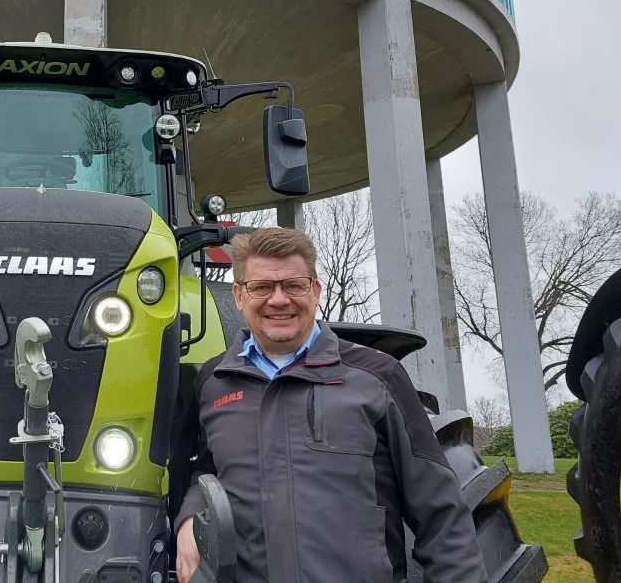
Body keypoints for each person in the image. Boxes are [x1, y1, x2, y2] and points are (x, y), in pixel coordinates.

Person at [174, 226, 488, 583]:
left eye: (294, 285)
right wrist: (190, 518)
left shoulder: (377, 376)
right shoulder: (215, 382)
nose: (278, 300)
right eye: (261, 287)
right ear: (239, 296)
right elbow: (207, 471)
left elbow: (442, 514)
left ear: (316, 290)